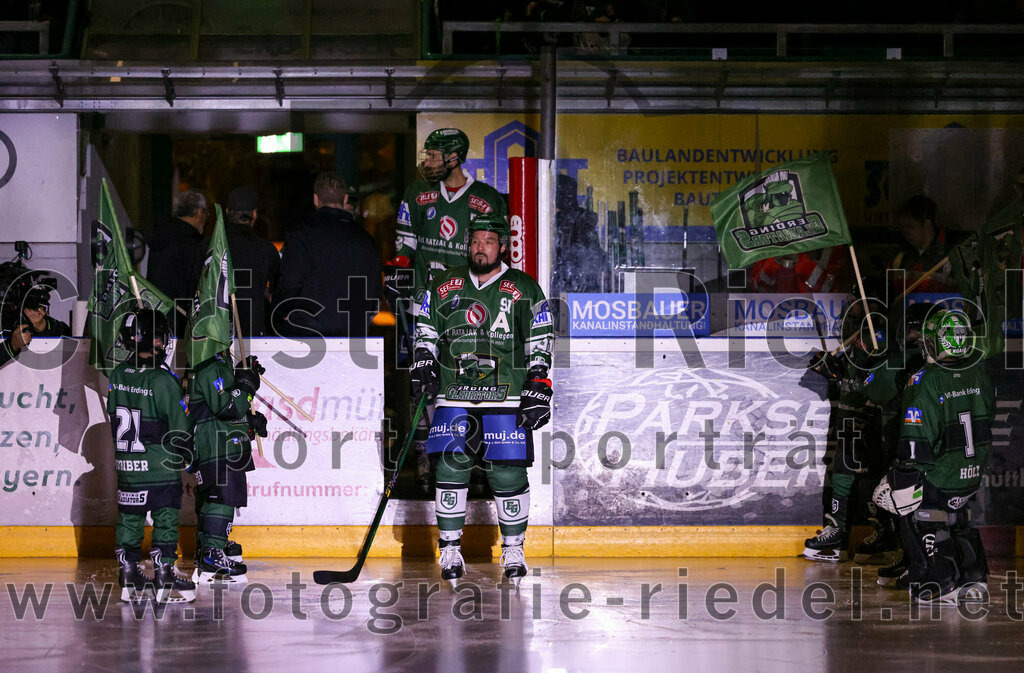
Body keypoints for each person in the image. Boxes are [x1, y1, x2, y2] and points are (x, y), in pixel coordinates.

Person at [412, 213, 554, 588]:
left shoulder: (524, 287)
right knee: (450, 468)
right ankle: (450, 548)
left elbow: (539, 335)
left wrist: (539, 380)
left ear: (502, 246)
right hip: (453, 391)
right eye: (475, 241)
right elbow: (425, 325)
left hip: (506, 393)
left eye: (489, 242)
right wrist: (424, 357)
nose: (481, 248)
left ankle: (513, 548)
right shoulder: (444, 284)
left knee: (507, 472)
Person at [386, 128, 508, 489]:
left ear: (455, 158)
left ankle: (478, 457)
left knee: (476, 378)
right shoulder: (416, 193)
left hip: (472, 307)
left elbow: (500, 255)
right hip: (426, 305)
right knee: (422, 382)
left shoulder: (486, 200)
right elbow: (405, 243)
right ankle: (427, 456)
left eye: (435, 156)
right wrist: (396, 273)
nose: (428, 162)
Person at [872, 309, 994, 604]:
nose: (923, 345)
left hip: (940, 473)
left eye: (928, 340)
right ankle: (972, 576)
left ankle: (938, 578)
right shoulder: (979, 370)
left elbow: (918, 435)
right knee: (958, 519)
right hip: (970, 472)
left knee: (917, 513)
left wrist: (904, 472)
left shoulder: (926, 379)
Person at [106, 309, 196, 603]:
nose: (162, 342)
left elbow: (113, 415)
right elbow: (179, 429)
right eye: (158, 337)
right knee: (166, 520)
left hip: (127, 468)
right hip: (159, 467)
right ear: (149, 340)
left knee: (129, 521)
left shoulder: (117, 374)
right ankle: (163, 577)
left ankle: (129, 577)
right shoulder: (163, 380)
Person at [803, 282, 886, 562]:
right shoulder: (857, 330)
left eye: (856, 299)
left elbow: (876, 380)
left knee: (870, 481)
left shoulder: (879, 334)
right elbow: (854, 373)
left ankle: (884, 534)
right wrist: (834, 371)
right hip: (850, 418)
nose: (851, 303)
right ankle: (838, 532)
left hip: (873, 419)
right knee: (841, 471)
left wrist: (840, 377)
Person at [857, 301, 933, 570]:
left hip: (908, 442)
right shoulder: (958, 365)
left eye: (913, 332)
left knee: (905, 502)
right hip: (941, 448)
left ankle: (912, 559)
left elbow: (870, 388)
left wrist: (877, 363)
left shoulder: (902, 360)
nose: (910, 338)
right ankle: (929, 560)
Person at [188, 349, 267, 583]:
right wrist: (247, 387)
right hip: (216, 445)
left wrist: (247, 421)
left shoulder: (219, 361)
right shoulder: (210, 365)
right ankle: (212, 552)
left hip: (221, 440)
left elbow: (226, 410)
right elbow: (228, 407)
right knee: (222, 496)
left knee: (218, 495)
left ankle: (211, 545)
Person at [275, 172, 382, 337]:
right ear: (345, 199)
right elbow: (374, 292)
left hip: (307, 332)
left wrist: (281, 312)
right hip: (353, 334)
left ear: (315, 199)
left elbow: (289, 283)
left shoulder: (303, 235)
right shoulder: (366, 240)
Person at [218, 186, 280, 337]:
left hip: (214, 332)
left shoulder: (209, 247)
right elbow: (279, 293)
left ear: (227, 212)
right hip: (253, 332)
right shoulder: (266, 250)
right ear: (254, 214)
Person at [147, 189, 208, 335]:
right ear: (199, 212)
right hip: (182, 323)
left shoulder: (160, 237)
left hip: (156, 319)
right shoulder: (193, 243)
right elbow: (195, 285)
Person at [891, 195, 955, 292]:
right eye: (902, 227)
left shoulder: (950, 255)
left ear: (926, 223)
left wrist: (928, 278)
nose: (905, 232)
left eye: (910, 227)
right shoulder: (901, 256)